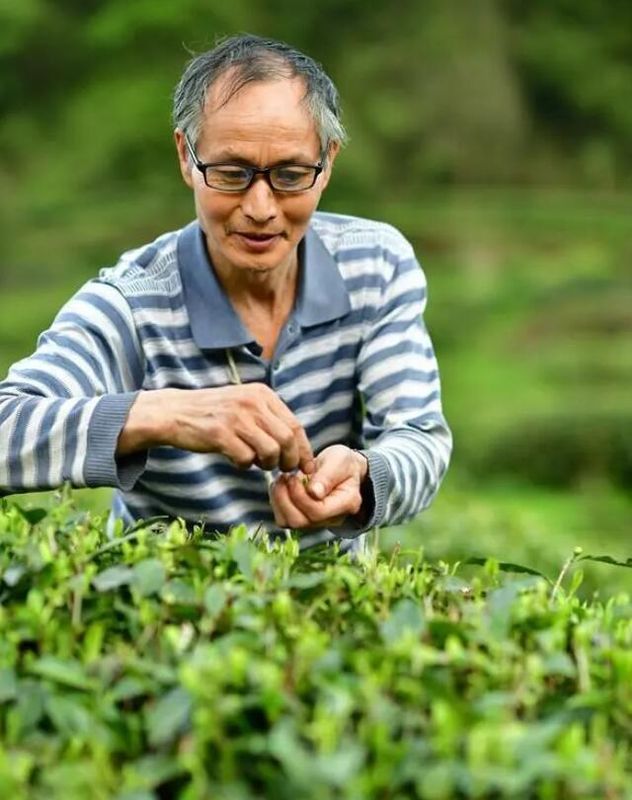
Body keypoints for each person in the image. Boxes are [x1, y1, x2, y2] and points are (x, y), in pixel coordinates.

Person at [0, 34, 452, 552]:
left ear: (327, 162)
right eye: (232, 174)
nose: (260, 208)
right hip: (168, 595)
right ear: (186, 157)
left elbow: (420, 436)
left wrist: (365, 476)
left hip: (331, 595)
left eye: (290, 175)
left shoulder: (376, 264)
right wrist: (165, 415)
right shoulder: (132, 303)